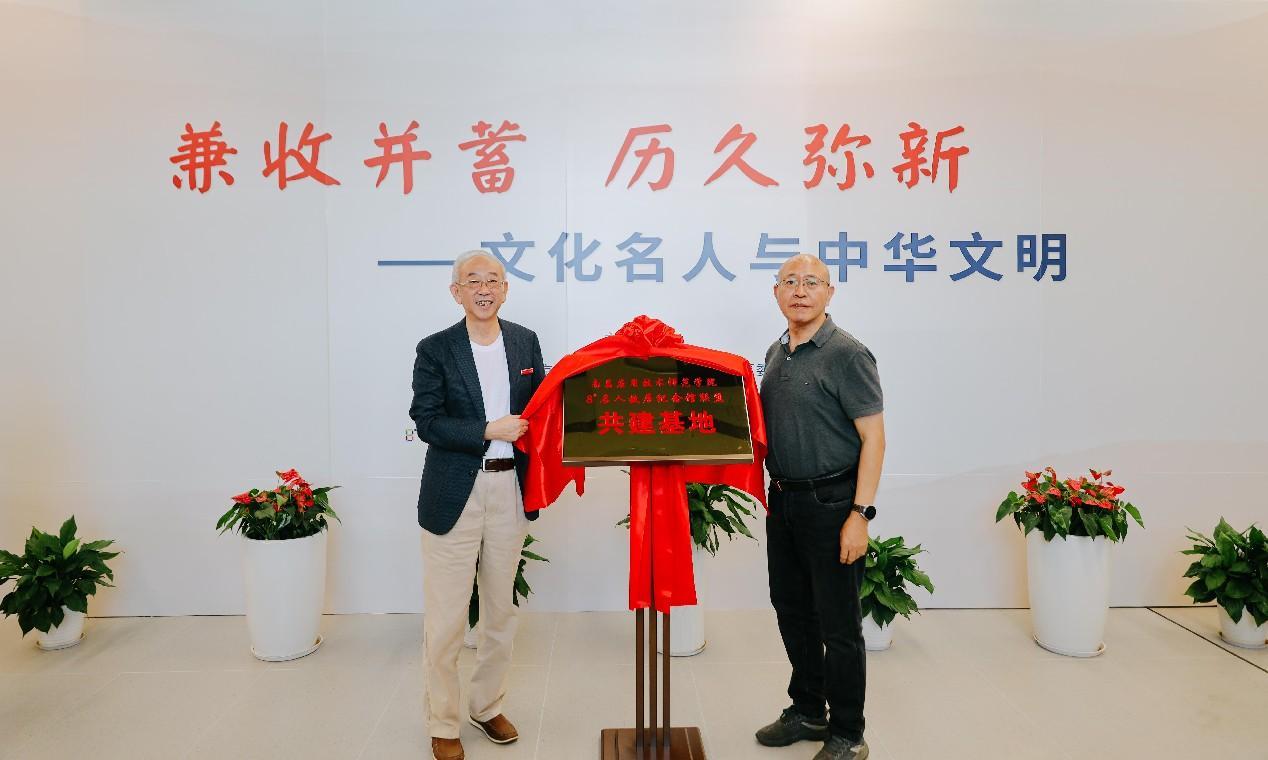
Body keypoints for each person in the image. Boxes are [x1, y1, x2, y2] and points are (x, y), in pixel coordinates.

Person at [409, 250, 545, 760]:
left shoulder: (525, 340)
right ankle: (443, 722)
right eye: (473, 281)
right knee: (446, 620)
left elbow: (542, 409)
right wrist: (488, 430)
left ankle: (487, 706)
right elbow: (427, 420)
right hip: (455, 493)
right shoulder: (435, 349)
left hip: (510, 490)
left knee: (500, 612)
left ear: (505, 289)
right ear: (457, 292)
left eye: (493, 280)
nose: (484, 289)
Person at [755, 253, 886, 760]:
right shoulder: (777, 351)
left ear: (830, 293)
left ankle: (849, 734)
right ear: (776, 292)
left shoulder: (848, 354)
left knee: (839, 626)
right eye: (790, 282)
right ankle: (809, 709)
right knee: (792, 610)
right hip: (785, 501)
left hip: (833, 504)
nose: (800, 291)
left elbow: (873, 439)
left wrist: (860, 515)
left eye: (812, 282)